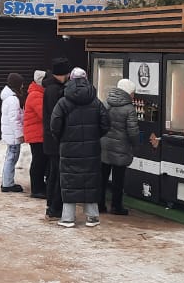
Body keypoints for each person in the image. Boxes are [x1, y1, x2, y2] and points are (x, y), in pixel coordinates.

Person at [50, 67, 110, 228]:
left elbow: (54, 124)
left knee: (69, 181)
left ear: (71, 79)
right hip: (91, 149)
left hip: (69, 148)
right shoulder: (96, 102)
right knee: (90, 180)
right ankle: (93, 217)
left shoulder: (63, 102)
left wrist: (62, 138)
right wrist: (94, 136)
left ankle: (68, 218)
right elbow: (105, 124)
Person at [99, 78, 139, 216]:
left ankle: (99, 205)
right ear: (127, 92)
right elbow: (133, 131)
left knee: (102, 178)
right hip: (121, 148)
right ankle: (116, 206)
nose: (133, 95)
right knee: (118, 179)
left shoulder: (105, 103)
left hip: (104, 146)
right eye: (133, 92)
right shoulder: (129, 109)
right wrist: (135, 144)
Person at [41, 58, 70, 219]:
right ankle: (54, 207)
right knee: (58, 174)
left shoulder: (50, 88)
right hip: (55, 139)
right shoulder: (55, 91)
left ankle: (51, 204)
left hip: (50, 139)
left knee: (54, 172)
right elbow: (57, 117)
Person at [0, 73, 26, 192]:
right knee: (12, 157)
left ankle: (7, 181)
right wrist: (19, 135)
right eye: (21, 84)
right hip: (13, 135)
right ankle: (8, 183)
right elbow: (14, 119)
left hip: (10, 134)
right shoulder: (13, 100)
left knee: (10, 157)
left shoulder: (8, 98)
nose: (22, 86)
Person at [23, 70, 48, 199]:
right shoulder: (36, 95)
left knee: (40, 160)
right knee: (38, 161)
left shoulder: (37, 93)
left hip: (38, 133)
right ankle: (37, 188)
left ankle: (39, 186)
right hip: (36, 134)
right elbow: (43, 113)